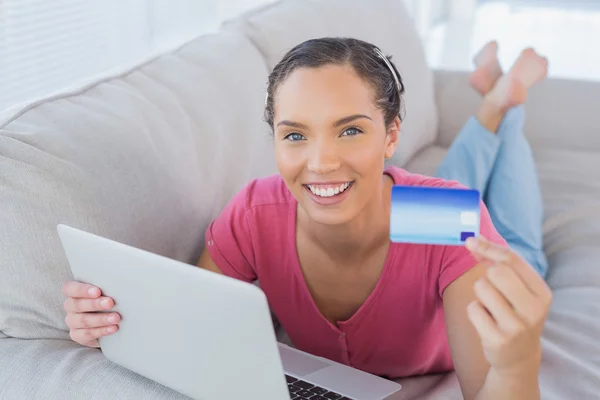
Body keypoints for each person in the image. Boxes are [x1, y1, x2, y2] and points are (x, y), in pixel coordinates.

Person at [62, 38, 553, 399]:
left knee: (504, 223)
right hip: (407, 200)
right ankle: (496, 100)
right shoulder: (257, 216)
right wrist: (108, 322)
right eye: (295, 135)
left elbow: (491, 387)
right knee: (454, 186)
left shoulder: (442, 219)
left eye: (350, 131)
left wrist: (518, 362)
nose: (320, 162)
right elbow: (188, 326)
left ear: (391, 134)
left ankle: (502, 106)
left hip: (501, 252)